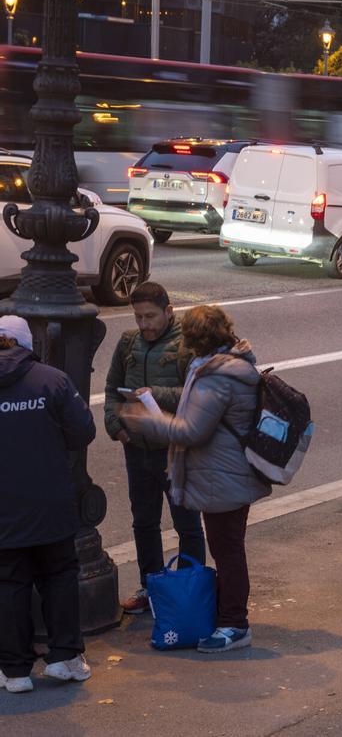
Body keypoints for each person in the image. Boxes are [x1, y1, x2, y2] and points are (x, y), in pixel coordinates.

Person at [122, 306, 269, 652]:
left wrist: (148, 421)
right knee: (227, 546)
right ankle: (227, 616)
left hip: (224, 476)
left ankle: (234, 624)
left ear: (194, 339)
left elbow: (192, 430)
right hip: (225, 471)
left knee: (227, 549)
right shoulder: (224, 366)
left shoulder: (218, 375)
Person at [0, 316, 95, 693]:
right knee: (58, 575)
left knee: (8, 582)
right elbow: (83, 431)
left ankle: (13, 670)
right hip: (50, 501)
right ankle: (64, 658)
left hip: (3, 508)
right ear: (27, 345)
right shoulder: (52, 380)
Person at [103, 282, 204, 615]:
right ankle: (151, 587)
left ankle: (189, 590)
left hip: (173, 449)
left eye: (150, 316)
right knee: (143, 522)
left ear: (168, 311)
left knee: (186, 524)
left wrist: (154, 393)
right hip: (137, 449)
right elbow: (111, 387)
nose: (144, 324)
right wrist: (116, 428)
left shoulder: (185, 345)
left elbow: (195, 394)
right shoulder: (128, 342)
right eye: (138, 317)